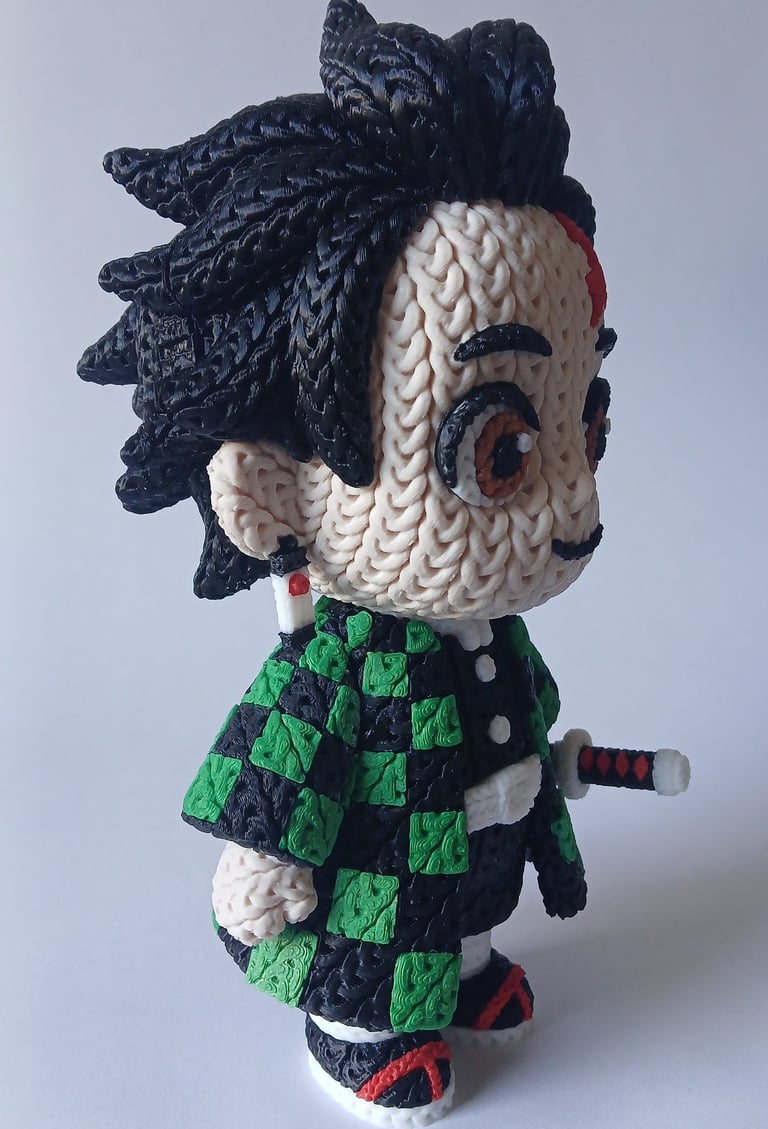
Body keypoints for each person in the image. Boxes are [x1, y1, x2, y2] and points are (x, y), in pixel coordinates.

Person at [79, 2, 623, 1123]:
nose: (577, 504)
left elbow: (520, 708)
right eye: (505, 449)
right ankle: (361, 1028)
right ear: (275, 489)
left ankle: (465, 968)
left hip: (468, 862)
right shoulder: (340, 665)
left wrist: (551, 765)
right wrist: (258, 861)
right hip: (376, 899)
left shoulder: (493, 627)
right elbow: (280, 759)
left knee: (458, 918)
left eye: (587, 424)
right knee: (381, 948)